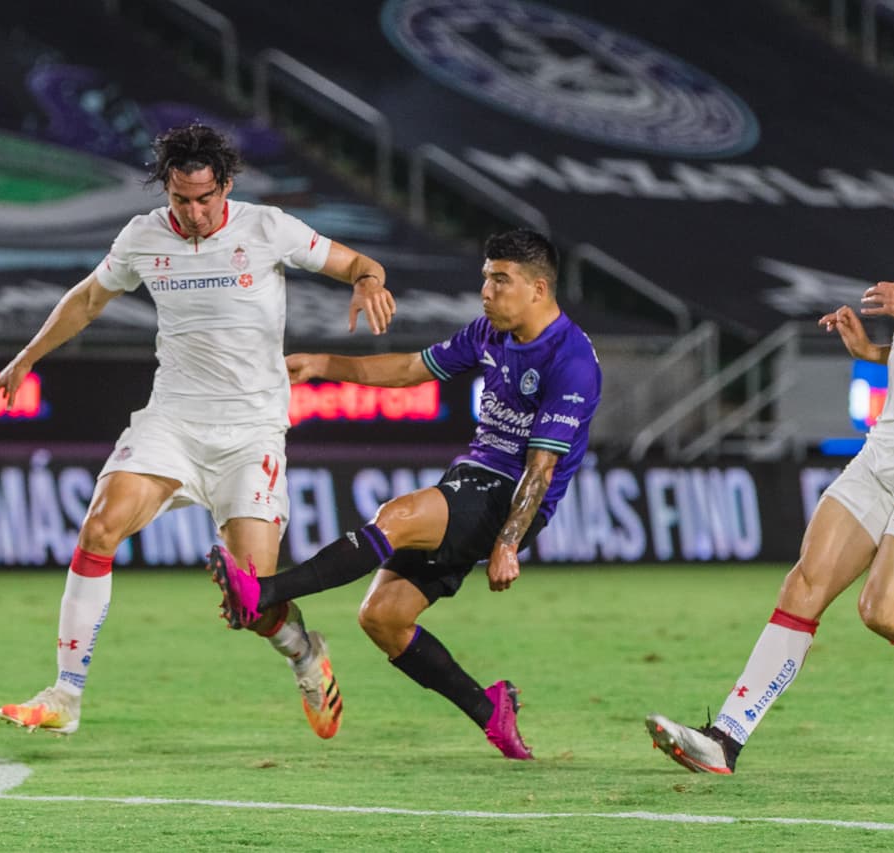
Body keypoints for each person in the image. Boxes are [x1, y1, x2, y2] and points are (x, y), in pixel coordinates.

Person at [646, 129, 894, 775]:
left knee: (882, 610)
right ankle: (725, 737)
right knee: (804, 582)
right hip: (885, 449)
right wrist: (874, 353)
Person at [0, 122, 396, 738]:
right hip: (173, 420)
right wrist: (25, 358)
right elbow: (88, 299)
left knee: (252, 600)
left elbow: (361, 263)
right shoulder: (143, 237)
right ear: (167, 192)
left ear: (226, 186)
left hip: (252, 432)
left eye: (206, 198)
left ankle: (306, 654)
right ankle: (66, 695)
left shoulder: (266, 228)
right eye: (182, 199)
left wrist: (368, 282)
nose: (196, 212)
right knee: (100, 527)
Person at [206, 228, 602, 759]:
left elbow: (542, 467)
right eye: (485, 278)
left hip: (510, 498)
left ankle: (263, 593)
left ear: (538, 288)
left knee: (397, 515)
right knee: (383, 617)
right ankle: (490, 711)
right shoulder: (490, 332)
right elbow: (411, 369)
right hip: (474, 480)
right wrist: (326, 365)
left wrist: (509, 541)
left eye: (500, 281)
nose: (487, 291)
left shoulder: (570, 360)